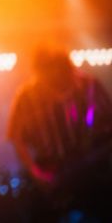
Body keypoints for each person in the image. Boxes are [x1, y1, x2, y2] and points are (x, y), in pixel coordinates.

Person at [8, 46, 112, 219]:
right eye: (48, 78)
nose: (55, 86)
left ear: (67, 70)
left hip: (93, 175)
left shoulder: (90, 87)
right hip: (50, 173)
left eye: (60, 78)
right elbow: (17, 138)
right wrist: (36, 174)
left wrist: (97, 158)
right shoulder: (27, 95)